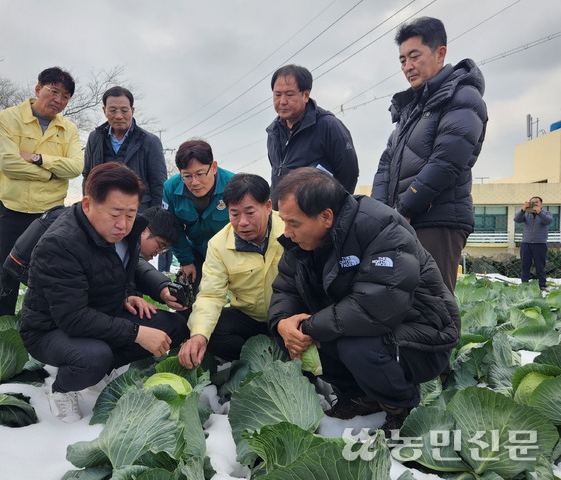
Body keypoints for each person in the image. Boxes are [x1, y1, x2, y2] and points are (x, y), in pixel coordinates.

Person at [268, 168, 460, 435]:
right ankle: (359, 397)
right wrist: (283, 324)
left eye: (293, 223)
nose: (286, 232)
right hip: (367, 330)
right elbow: (284, 290)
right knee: (295, 335)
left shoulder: (382, 228)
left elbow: (379, 306)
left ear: (326, 216)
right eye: (283, 221)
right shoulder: (301, 243)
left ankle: (401, 406)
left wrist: (309, 326)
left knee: (354, 344)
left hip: (422, 337)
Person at [20, 162, 189, 422]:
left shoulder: (125, 230)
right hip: (51, 328)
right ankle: (63, 387)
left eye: (131, 214)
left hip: (102, 311)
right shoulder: (60, 244)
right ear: (88, 205)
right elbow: (73, 318)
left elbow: (132, 267)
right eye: (115, 214)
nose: (123, 224)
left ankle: (101, 371)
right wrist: (137, 333)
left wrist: (146, 290)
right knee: (93, 356)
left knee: (173, 326)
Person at [371, 17, 488, 293]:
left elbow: (446, 162)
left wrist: (404, 209)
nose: (407, 67)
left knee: (434, 305)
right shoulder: (412, 107)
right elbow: (387, 161)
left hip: (437, 220)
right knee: (403, 304)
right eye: (402, 61)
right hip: (404, 219)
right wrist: (381, 213)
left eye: (414, 56)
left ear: (440, 53)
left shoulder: (463, 98)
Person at [0, 67, 83, 321]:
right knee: (7, 274)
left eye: (65, 97)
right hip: (13, 207)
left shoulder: (68, 128)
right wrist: (51, 172)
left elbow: (76, 166)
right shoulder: (9, 118)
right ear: (38, 89)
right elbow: (8, 163)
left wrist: (36, 158)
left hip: (49, 212)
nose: (58, 100)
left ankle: (41, 330)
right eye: (53, 91)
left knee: (47, 272)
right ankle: (0, 330)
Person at [178, 173, 284, 368]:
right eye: (234, 214)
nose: (242, 222)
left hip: (288, 315)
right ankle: (258, 361)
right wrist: (199, 335)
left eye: (250, 212)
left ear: (268, 206)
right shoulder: (218, 245)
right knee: (211, 331)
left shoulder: (289, 229)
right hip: (250, 318)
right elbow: (211, 296)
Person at [266, 64, 359, 203]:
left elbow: (349, 174)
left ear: (306, 95)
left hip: (317, 216)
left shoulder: (329, 126)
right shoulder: (273, 131)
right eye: (277, 95)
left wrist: (334, 210)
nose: (282, 101)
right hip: (284, 216)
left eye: (289, 95)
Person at [162, 139, 234, 287]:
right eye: (187, 176)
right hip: (196, 250)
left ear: (213, 167)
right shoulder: (170, 188)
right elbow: (173, 228)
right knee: (189, 291)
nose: (194, 182)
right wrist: (186, 261)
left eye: (200, 174)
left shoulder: (233, 185)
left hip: (231, 251)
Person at [83, 86, 167, 212]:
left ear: (132, 111)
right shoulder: (95, 138)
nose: (118, 116)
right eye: (112, 110)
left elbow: (159, 185)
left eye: (124, 110)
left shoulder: (150, 141)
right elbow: (87, 176)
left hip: (138, 213)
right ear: (104, 110)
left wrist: (153, 220)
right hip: (101, 212)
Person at [514, 196, 553, 290]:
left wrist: (539, 212)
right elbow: (517, 219)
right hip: (526, 243)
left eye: (536, 202)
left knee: (540, 265)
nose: (534, 204)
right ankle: (524, 285)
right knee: (525, 265)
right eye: (532, 202)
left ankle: (541, 285)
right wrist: (523, 210)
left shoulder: (547, 213)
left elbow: (548, 221)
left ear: (541, 204)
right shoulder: (526, 214)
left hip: (540, 244)